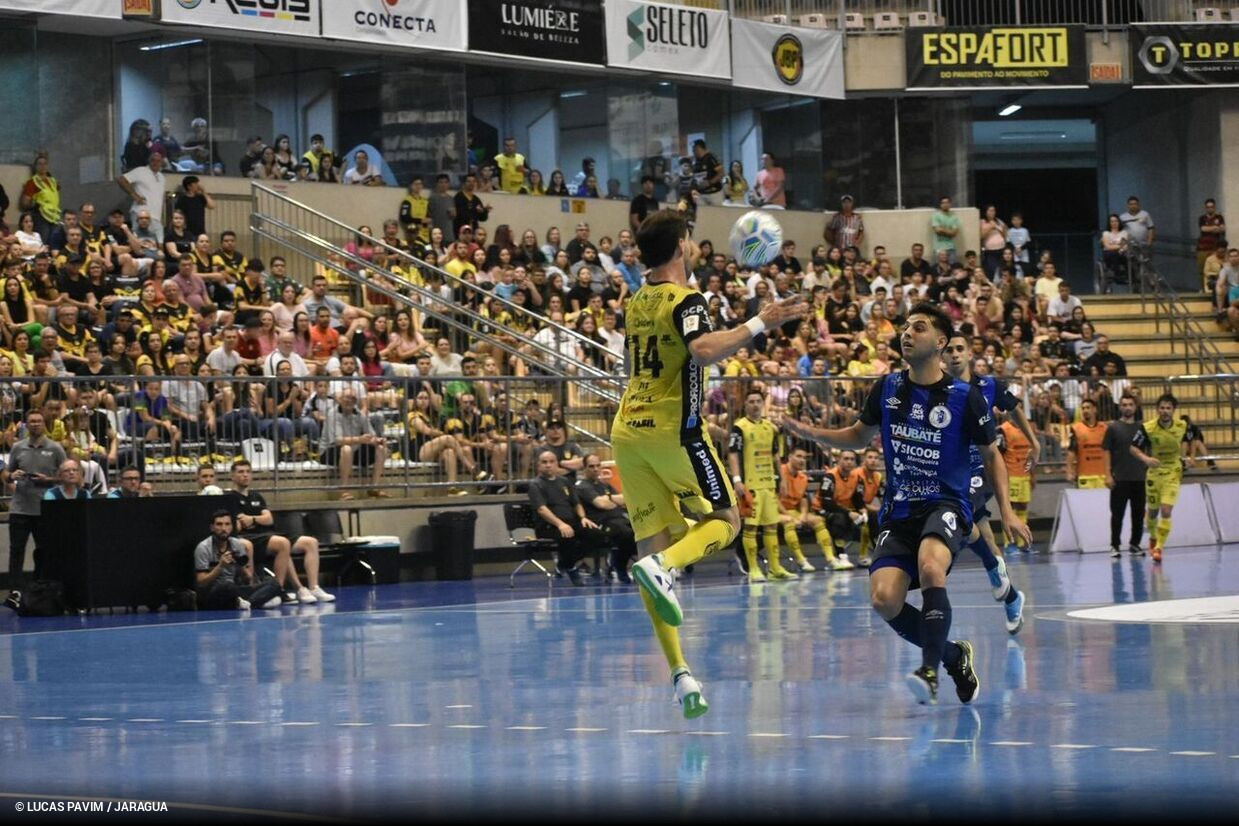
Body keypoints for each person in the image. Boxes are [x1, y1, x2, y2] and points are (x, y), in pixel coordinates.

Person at [783, 302, 1031, 705]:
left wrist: (1007, 511)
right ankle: (953, 656)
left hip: (946, 503)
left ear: (940, 342)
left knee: (931, 566)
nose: (907, 333)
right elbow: (857, 436)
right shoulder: (887, 387)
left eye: (918, 327)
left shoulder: (965, 397)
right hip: (899, 511)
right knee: (884, 600)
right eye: (904, 327)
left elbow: (992, 456)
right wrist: (809, 432)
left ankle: (929, 671)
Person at [617, 210, 805, 719]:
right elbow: (701, 350)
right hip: (673, 431)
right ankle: (664, 566)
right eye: (692, 239)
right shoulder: (687, 300)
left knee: (653, 551)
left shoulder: (637, 299)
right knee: (727, 521)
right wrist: (761, 320)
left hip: (627, 433)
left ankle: (681, 675)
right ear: (681, 247)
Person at [944, 337, 1036, 634]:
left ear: (970, 354)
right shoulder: (938, 388)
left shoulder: (988, 385)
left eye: (960, 349)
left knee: (959, 517)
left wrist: (1034, 442)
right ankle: (1010, 596)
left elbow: (1014, 408)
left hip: (982, 466)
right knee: (983, 536)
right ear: (941, 356)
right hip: (953, 470)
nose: (955, 354)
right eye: (949, 350)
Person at [228, 460, 334, 604]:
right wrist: (258, 519)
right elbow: (240, 523)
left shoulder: (257, 496)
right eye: (240, 472)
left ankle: (314, 587)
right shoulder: (230, 498)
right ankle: (278, 590)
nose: (245, 475)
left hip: (268, 535)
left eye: (248, 471)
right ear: (232, 476)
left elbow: (269, 519)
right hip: (251, 538)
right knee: (282, 543)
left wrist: (252, 519)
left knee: (311, 542)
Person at [729, 389, 799, 583]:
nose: (755, 404)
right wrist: (737, 480)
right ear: (745, 405)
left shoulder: (771, 427)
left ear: (762, 403)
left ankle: (775, 568)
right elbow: (733, 453)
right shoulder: (739, 427)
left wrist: (783, 479)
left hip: (769, 483)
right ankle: (753, 569)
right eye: (751, 401)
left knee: (771, 527)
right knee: (750, 529)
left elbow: (776, 455)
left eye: (758, 401)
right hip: (750, 485)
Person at [5, 410, 67, 585]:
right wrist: (12, 476)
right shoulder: (18, 447)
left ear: (44, 423)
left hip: (45, 508)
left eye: (39, 421)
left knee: (45, 550)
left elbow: (67, 477)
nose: (35, 424)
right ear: (26, 424)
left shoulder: (55, 448)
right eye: (32, 421)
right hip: (20, 508)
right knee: (16, 550)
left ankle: (44, 585)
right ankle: (15, 589)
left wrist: (48, 480)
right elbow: (7, 475)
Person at [529, 449, 606, 586]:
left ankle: (564, 563)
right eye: (544, 462)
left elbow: (576, 503)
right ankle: (571, 568)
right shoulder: (536, 484)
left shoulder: (565, 481)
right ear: (538, 465)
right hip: (549, 525)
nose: (548, 465)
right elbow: (542, 509)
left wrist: (583, 518)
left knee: (597, 534)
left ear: (557, 464)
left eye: (551, 462)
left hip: (572, 521)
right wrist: (560, 524)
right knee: (567, 536)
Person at [1130, 393, 1191, 564]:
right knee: (1153, 512)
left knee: (1166, 511)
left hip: (1172, 472)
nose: (1165, 411)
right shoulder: (1147, 428)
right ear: (1157, 410)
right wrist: (1146, 459)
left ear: (1174, 410)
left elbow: (1189, 439)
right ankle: (1153, 536)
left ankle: (1159, 548)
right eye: (1162, 408)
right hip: (1154, 473)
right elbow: (1133, 448)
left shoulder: (1182, 425)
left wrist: (1187, 457)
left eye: (1168, 408)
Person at [194, 509, 285, 611]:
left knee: (274, 584)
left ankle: (247, 604)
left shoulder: (237, 545)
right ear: (212, 527)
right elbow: (201, 582)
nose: (224, 528)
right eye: (219, 524)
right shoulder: (203, 547)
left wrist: (240, 566)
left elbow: (247, 579)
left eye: (227, 524)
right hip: (213, 592)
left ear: (232, 527)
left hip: (235, 590)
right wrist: (220, 566)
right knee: (227, 586)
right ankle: (258, 601)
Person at [779, 446, 848, 572]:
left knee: (818, 520)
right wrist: (791, 516)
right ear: (789, 457)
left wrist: (803, 515)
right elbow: (774, 499)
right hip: (777, 511)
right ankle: (802, 561)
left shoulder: (803, 477)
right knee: (789, 522)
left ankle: (831, 559)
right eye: (798, 456)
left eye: (804, 458)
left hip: (795, 511)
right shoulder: (780, 473)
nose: (802, 460)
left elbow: (804, 499)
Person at [575, 453, 637, 584]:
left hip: (619, 519)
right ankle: (619, 566)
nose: (596, 469)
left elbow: (625, 499)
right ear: (584, 468)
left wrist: (609, 499)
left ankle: (619, 562)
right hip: (599, 523)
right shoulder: (582, 486)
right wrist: (612, 500)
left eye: (598, 465)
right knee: (626, 534)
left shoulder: (605, 485)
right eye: (591, 466)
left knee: (641, 531)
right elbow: (601, 504)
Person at [1102, 391, 1148, 559]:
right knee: (1117, 514)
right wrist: (1108, 474)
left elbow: (1146, 451)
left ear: (1136, 407)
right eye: (1124, 405)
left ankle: (1135, 544)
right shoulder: (1113, 428)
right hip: (1119, 477)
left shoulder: (1142, 428)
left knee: (1138, 513)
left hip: (1138, 478)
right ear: (1120, 407)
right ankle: (1115, 545)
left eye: (1130, 405)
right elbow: (1106, 451)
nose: (1127, 408)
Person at [1067, 398, 1108, 489]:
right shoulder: (1076, 428)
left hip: (1102, 475)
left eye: (1088, 408)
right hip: (1084, 476)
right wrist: (1070, 471)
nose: (1085, 410)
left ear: (1095, 409)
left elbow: (1109, 451)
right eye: (1083, 408)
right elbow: (1071, 451)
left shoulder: (1104, 428)